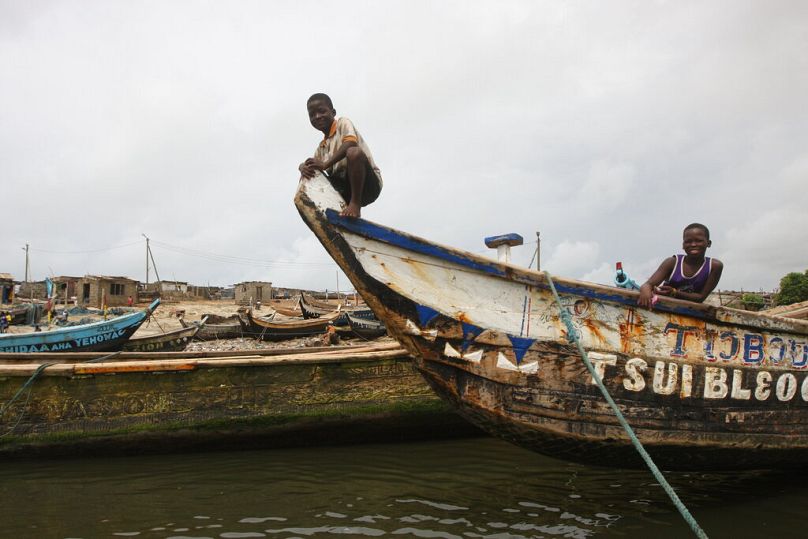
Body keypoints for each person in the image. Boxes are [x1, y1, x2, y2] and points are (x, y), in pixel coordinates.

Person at [298, 93, 383, 218]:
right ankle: (325, 213)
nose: (317, 116)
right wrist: (302, 167)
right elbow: (313, 167)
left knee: (354, 152)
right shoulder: (320, 149)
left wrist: (325, 164)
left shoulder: (342, 123)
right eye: (312, 115)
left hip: (367, 184)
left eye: (321, 111)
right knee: (311, 175)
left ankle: (355, 205)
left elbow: (350, 143)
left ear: (333, 112)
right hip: (344, 189)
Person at [638, 223, 724, 308]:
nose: (693, 244)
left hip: (690, 311)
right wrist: (646, 291)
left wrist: (674, 292)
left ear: (708, 243)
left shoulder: (714, 266)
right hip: (664, 307)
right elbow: (648, 285)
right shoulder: (672, 262)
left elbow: (700, 297)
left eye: (698, 241)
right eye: (688, 241)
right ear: (683, 245)